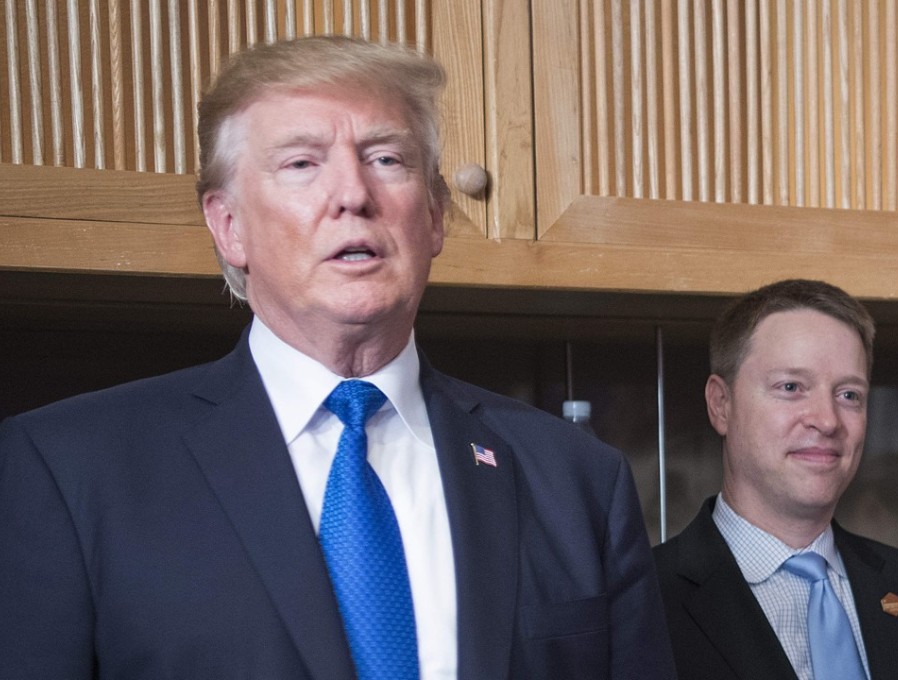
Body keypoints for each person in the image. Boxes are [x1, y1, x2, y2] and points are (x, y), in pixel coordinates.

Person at [0, 36, 676, 680]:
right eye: (302, 163)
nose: (353, 194)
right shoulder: (66, 471)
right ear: (229, 226)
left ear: (435, 217)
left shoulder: (578, 481)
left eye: (387, 159)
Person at [654, 279, 898, 680]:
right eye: (791, 387)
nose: (828, 420)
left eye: (849, 395)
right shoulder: (643, 600)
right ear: (721, 404)